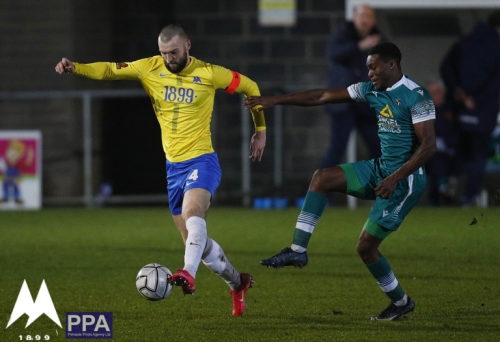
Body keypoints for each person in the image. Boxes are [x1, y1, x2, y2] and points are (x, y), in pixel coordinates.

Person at [55, 24, 267, 316]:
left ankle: (187, 273)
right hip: (173, 168)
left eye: (174, 52)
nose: (169, 58)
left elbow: (251, 87)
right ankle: (237, 282)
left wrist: (261, 130)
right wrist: (75, 67)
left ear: (188, 46)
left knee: (194, 214)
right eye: (164, 53)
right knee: (197, 242)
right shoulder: (149, 68)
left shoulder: (209, 73)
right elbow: (108, 71)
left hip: (202, 160)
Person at [245, 42, 436, 321]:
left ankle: (401, 301)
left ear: (391, 65)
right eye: (367, 67)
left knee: (365, 248)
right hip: (381, 169)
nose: (369, 72)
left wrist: (396, 178)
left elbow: (429, 146)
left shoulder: (416, 96)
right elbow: (323, 95)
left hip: (405, 182)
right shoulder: (371, 90)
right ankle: (298, 250)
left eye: (374, 66)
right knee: (322, 178)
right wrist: (276, 100)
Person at [440, 10, 500, 207]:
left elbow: (446, 67)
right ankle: (468, 198)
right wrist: (476, 100)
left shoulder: (464, 42)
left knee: (462, 150)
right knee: (479, 154)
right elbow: (495, 82)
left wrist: (458, 91)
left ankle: (451, 182)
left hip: (460, 108)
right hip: (482, 109)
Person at [322, 4, 382, 169]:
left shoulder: (379, 40)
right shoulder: (342, 35)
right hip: (343, 104)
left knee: (379, 148)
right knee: (336, 150)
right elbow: (333, 53)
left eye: (368, 16)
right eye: (361, 16)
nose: (365, 20)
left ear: (373, 20)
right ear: (354, 18)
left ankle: (381, 190)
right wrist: (359, 47)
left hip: (366, 103)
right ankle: (321, 191)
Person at [424, 80, 459, 206]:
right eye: (430, 93)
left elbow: (459, 133)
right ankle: (444, 191)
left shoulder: (453, 109)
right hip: (430, 154)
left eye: (436, 92)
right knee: (436, 160)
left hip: (452, 151)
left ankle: (443, 191)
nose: (433, 96)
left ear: (443, 93)